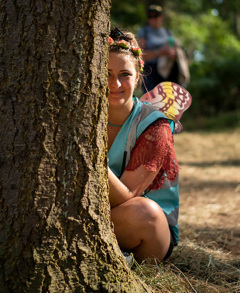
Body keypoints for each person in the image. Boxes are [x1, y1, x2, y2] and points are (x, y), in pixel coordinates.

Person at [107, 27, 179, 263]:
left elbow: (126, 195)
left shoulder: (154, 125)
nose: (114, 83)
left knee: (144, 211)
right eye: (106, 73)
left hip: (143, 228)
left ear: (138, 76)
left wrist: (89, 155)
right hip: (97, 216)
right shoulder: (83, 116)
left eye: (124, 74)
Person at [138, 5, 190, 92]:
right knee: (153, 101)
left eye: (156, 16)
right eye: (150, 16)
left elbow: (175, 50)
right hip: (150, 71)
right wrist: (159, 52)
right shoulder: (144, 31)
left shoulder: (167, 32)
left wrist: (173, 54)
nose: (154, 19)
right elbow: (140, 56)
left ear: (161, 17)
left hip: (168, 70)